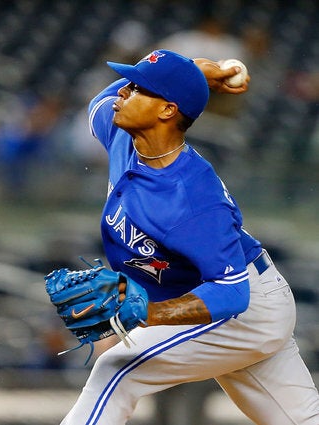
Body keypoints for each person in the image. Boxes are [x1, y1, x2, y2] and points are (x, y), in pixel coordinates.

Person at [60, 49, 319, 424]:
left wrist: (147, 313)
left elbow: (231, 293)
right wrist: (195, 72)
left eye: (136, 89)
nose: (121, 93)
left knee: (115, 371)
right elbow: (99, 101)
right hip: (228, 296)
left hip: (241, 309)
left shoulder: (192, 197)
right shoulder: (121, 134)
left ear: (166, 111)